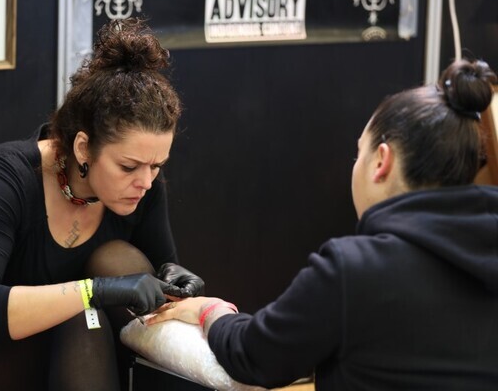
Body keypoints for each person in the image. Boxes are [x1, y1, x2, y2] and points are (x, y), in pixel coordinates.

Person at [149, 58, 498, 390]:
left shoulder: (355, 270)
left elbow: (254, 355)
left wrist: (210, 310)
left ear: (382, 162)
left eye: (359, 154)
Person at [0, 18, 204, 391]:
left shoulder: (143, 184)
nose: (146, 182)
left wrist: (174, 279)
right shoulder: (5, 179)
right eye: (128, 166)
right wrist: (92, 291)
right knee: (80, 316)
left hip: (95, 356)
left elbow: (151, 287)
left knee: (116, 259)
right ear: (83, 148)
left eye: (157, 166)